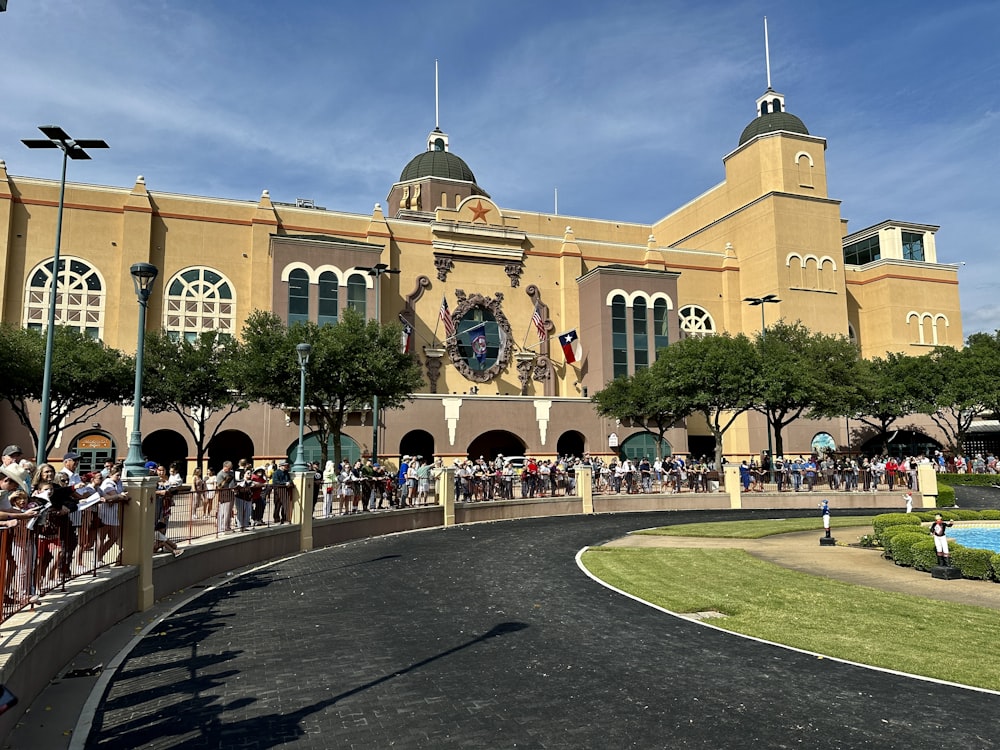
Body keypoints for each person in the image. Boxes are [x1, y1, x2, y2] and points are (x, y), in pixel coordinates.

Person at [215, 461, 236, 533]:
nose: (230, 469)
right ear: (225, 467)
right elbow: (219, 486)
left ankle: (228, 526)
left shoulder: (231, 472)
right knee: (224, 512)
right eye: (229, 468)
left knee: (229, 512)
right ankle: (223, 528)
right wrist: (225, 480)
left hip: (230, 494)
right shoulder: (220, 474)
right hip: (224, 495)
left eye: (231, 468)